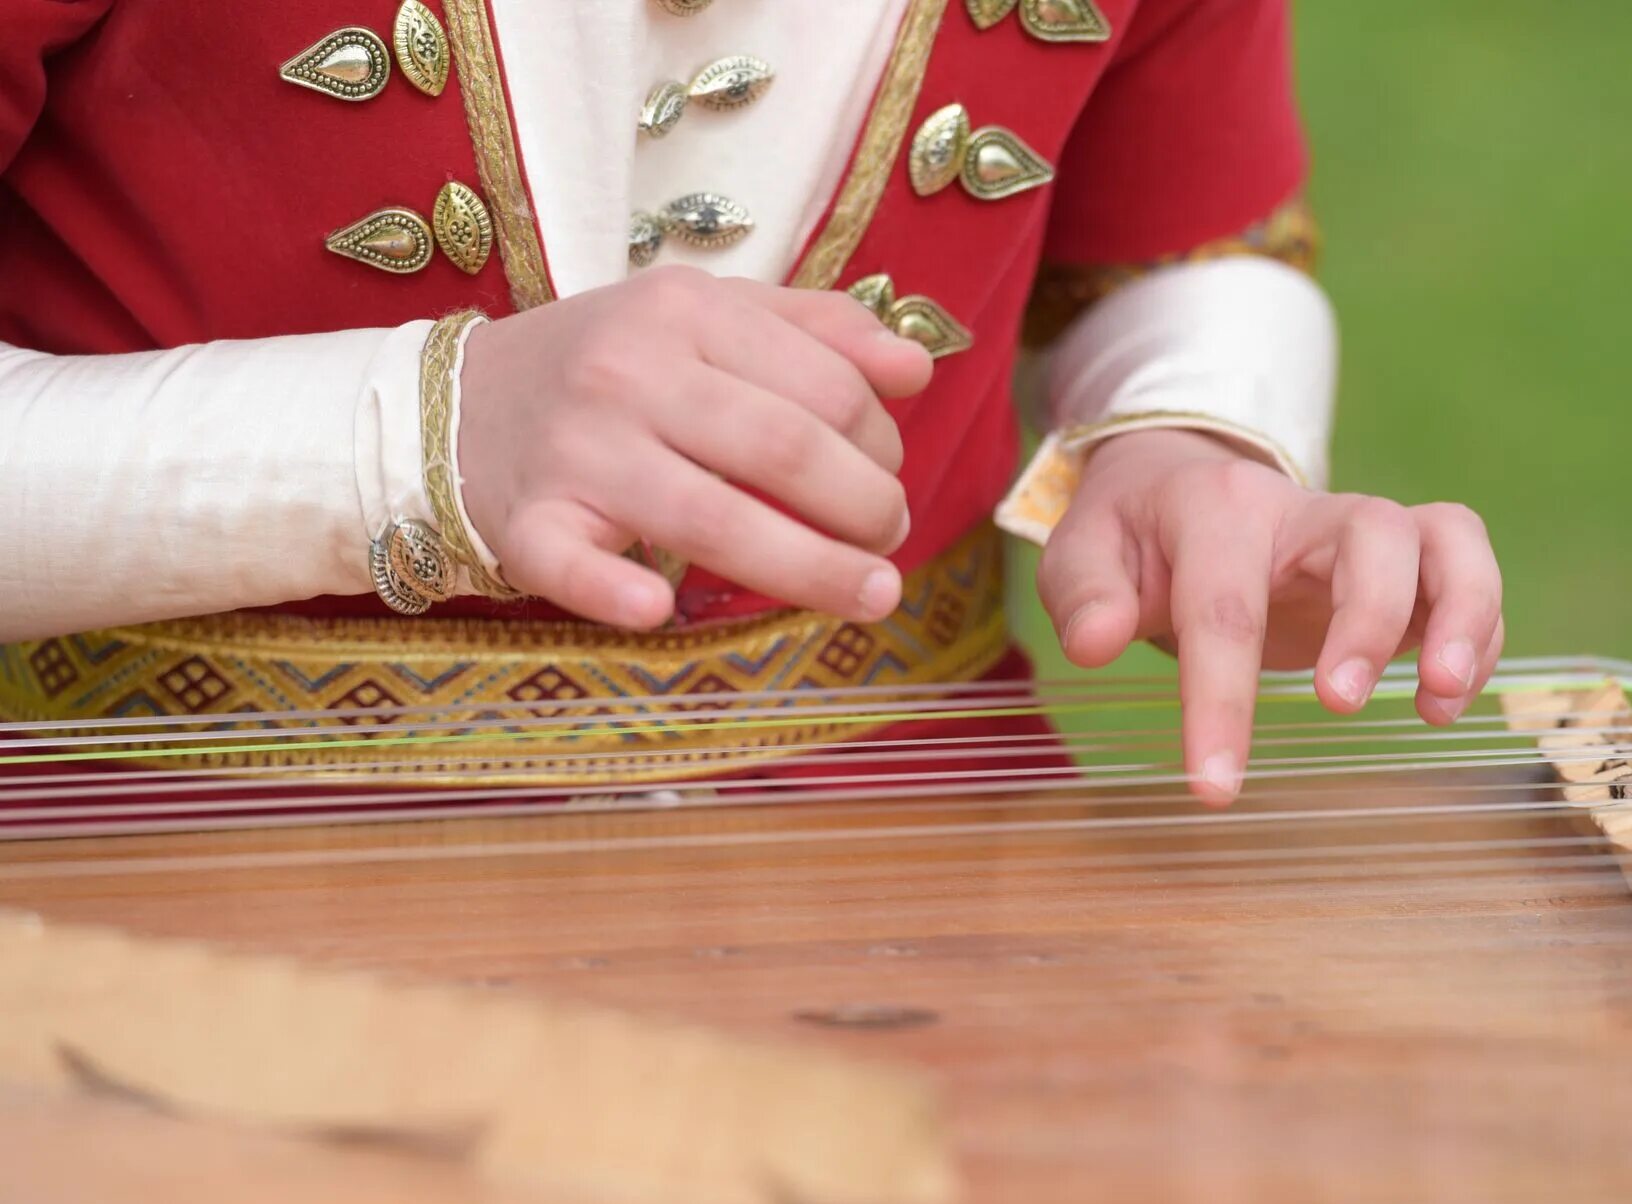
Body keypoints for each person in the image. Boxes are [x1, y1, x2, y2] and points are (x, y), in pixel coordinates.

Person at [0, 0, 1501, 804]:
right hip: (160, 910)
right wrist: (426, 437)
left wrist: (1190, 432)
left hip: (944, 928)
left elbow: (1175, 244)